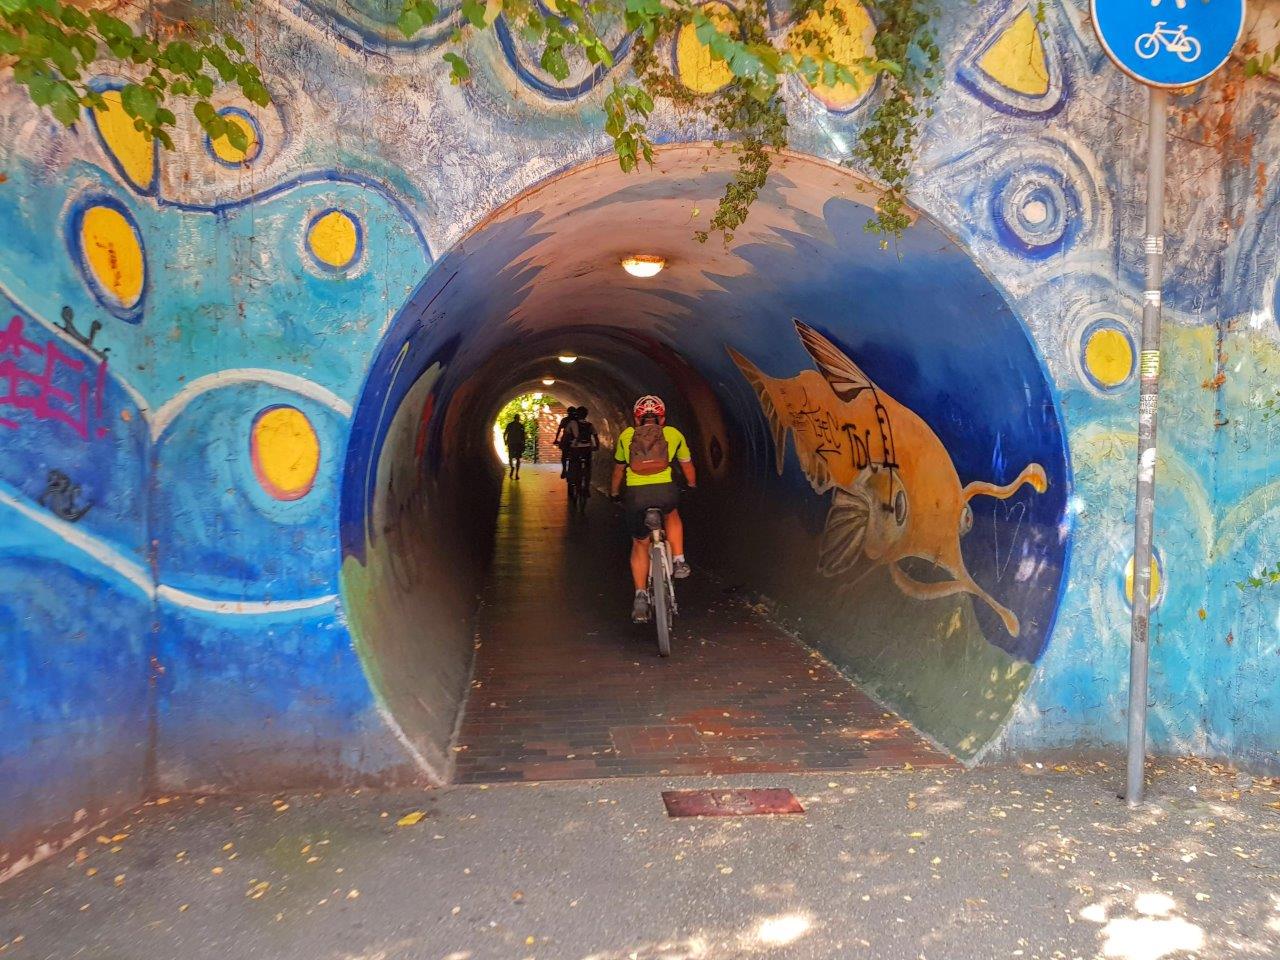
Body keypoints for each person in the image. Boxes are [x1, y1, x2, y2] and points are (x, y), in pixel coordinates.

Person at [609, 395, 695, 623]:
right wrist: (692, 485)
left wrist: (615, 493)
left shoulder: (627, 436)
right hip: (665, 491)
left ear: (637, 420)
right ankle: (678, 560)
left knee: (640, 542)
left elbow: (618, 470)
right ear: (662, 418)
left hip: (636, 496)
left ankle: (640, 596)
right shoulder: (674, 434)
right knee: (672, 513)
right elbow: (687, 465)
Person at [564, 406, 600, 495]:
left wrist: (567, 445)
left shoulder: (572, 423)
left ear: (577, 414)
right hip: (587, 448)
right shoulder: (590, 425)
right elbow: (596, 437)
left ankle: (572, 480)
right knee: (588, 468)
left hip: (575, 448)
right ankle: (586, 488)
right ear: (586, 415)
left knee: (573, 464)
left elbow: (566, 435)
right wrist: (596, 447)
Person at [554, 406, 579, 479]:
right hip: (574, 440)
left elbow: (559, 429)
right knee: (575, 455)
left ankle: (564, 469)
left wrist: (556, 439)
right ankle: (574, 470)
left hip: (566, 439)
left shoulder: (564, 420)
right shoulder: (577, 420)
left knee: (564, 456)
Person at [503, 413, 526, 479]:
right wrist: (524, 443)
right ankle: (516, 474)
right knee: (518, 459)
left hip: (511, 443)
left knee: (510, 457)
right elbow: (523, 436)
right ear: (518, 418)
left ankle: (512, 468)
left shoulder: (510, 425)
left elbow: (505, 434)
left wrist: (505, 441)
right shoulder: (521, 425)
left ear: (514, 418)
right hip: (517, 443)